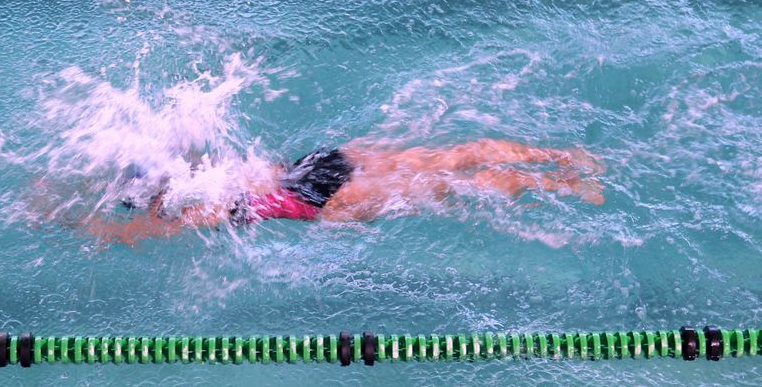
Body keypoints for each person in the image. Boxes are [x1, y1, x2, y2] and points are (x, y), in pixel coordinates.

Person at [37, 138, 604, 245]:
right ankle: (562, 159)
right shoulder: (198, 162)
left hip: (318, 203)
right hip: (319, 161)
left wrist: (70, 222)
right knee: (444, 161)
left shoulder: (199, 209)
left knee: (444, 188)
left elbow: (135, 230)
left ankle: (559, 184)